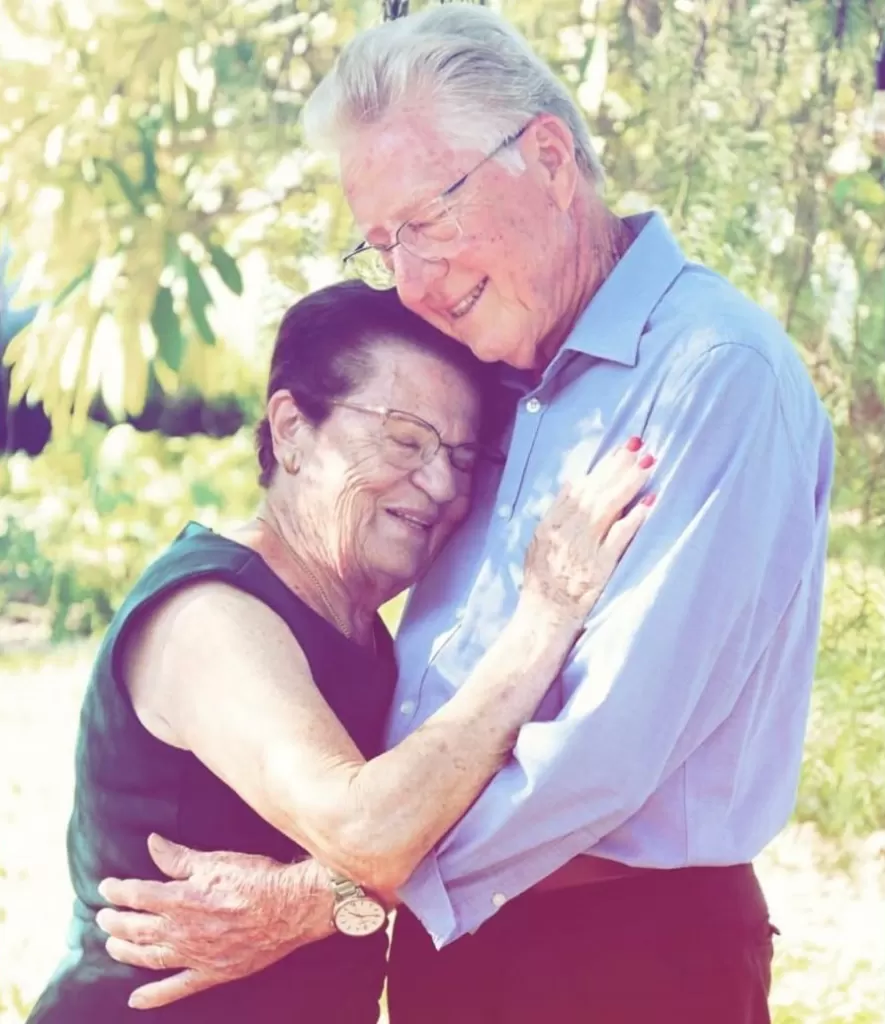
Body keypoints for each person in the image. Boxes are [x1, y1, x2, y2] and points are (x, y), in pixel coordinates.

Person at [96, 5, 835, 1023]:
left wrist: (327, 897)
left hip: (617, 958)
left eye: (426, 222)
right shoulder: (488, 377)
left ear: (548, 160)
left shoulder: (711, 374)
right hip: (450, 949)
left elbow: (600, 757)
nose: (409, 281)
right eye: (382, 245)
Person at [25, 279, 653, 1024]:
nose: (440, 484)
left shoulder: (365, 634)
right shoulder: (210, 615)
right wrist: (545, 616)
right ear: (292, 429)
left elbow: (421, 823)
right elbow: (369, 833)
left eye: (462, 457)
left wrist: (313, 901)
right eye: (405, 440)